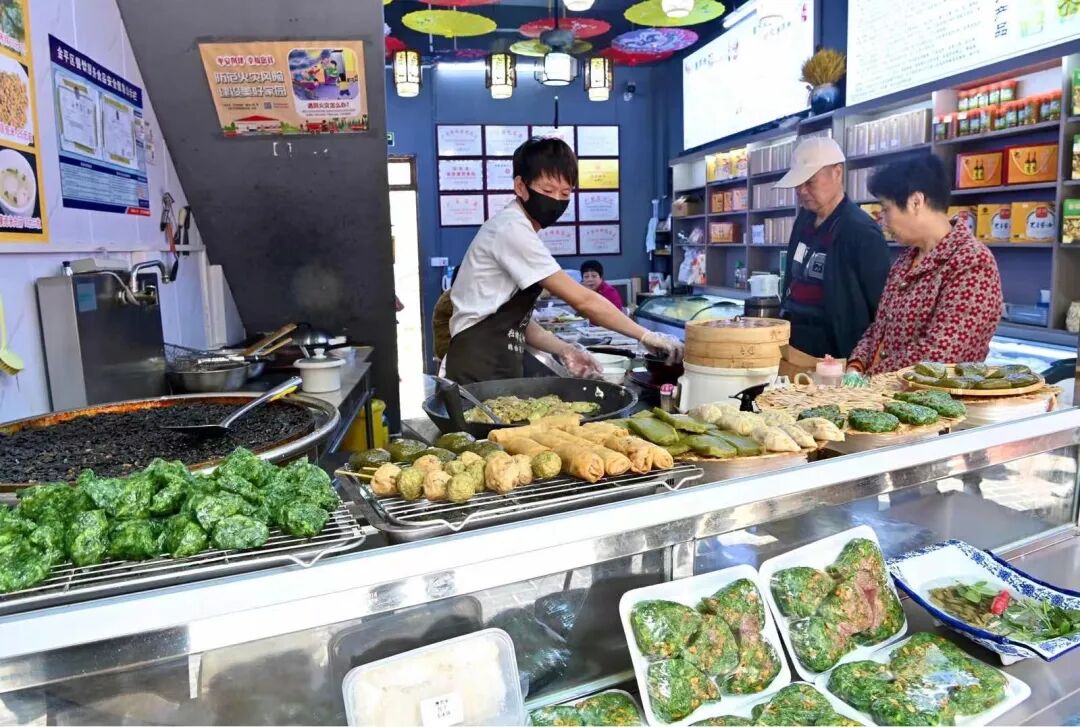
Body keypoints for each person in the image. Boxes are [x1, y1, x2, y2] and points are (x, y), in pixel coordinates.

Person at [446, 137, 682, 384]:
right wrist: (645, 336)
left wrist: (565, 349)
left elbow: (516, 323)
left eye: (565, 193)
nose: (556, 200)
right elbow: (583, 300)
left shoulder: (519, 228)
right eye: (548, 191)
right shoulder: (511, 229)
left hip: (495, 361)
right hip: (478, 364)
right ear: (520, 186)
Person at [847, 155, 1003, 375]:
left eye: (886, 209)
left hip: (929, 397)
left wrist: (869, 378)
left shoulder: (972, 263)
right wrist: (857, 365)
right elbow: (881, 327)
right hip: (880, 391)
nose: (882, 220)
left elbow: (939, 354)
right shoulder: (906, 260)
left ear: (915, 202)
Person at [774, 136, 891, 361]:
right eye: (798, 184)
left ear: (837, 172)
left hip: (836, 353)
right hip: (794, 343)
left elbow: (881, 306)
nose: (802, 191)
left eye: (810, 182)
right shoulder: (803, 220)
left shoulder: (861, 231)